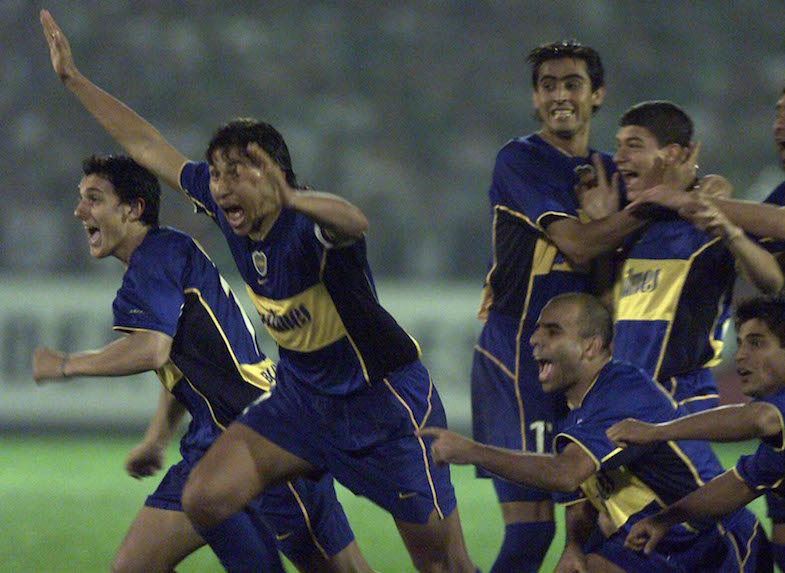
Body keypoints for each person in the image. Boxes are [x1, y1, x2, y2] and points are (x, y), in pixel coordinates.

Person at [41, 10, 478, 573]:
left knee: (444, 566)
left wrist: (294, 199)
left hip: (383, 406)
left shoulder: (308, 226)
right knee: (205, 495)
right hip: (301, 404)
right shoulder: (227, 210)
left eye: (236, 172)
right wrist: (74, 80)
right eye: (216, 173)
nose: (220, 185)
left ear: (275, 176)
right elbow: (147, 146)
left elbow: (355, 221)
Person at [31, 154, 370, 573]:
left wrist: (66, 364)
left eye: (94, 199)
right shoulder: (163, 253)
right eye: (82, 198)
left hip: (263, 436)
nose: (80, 210)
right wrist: (157, 438)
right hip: (213, 439)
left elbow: (151, 349)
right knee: (134, 566)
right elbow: (181, 361)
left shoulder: (155, 260)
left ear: (133, 209)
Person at [627, 74, 785, 571]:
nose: (778, 124)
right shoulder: (780, 195)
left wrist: (688, 198)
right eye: (776, 114)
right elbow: (763, 269)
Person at [423, 293, 770, 572]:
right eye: (537, 329)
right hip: (655, 543)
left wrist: (471, 452)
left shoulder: (622, 390)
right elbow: (581, 496)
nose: (534, 339)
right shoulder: (573, 409)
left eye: (552, 331)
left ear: (590, 346)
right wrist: (573, 547)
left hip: (716, 543)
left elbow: (566, 474)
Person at [469, 40, 640, 572]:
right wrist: (647, 209)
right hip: (519, 358)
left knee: (600, 531)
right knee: (533, 530)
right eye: (548, 86)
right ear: (535, 98)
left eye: (572, 84)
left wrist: (704, 186)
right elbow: (579, 246)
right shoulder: (521, 159)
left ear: (598, 95)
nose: (560, 96)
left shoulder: (611, 172)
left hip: (583, 366)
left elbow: (610, 265)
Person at [607, 294, 785, 573]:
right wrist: (664, 520)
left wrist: (657, 431)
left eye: (756, 343)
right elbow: (739, 485)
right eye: (740, 344)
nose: (740, 355)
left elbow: (759, 418)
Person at [607, 101, 784, 413]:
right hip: (626, 399)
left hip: (681, 402)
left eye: (633, 146)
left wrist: (730, 233)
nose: (619, 157)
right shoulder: (632, 226)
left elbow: (772, 281)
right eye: (618, 145)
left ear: (672, 154)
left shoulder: (708, 220)